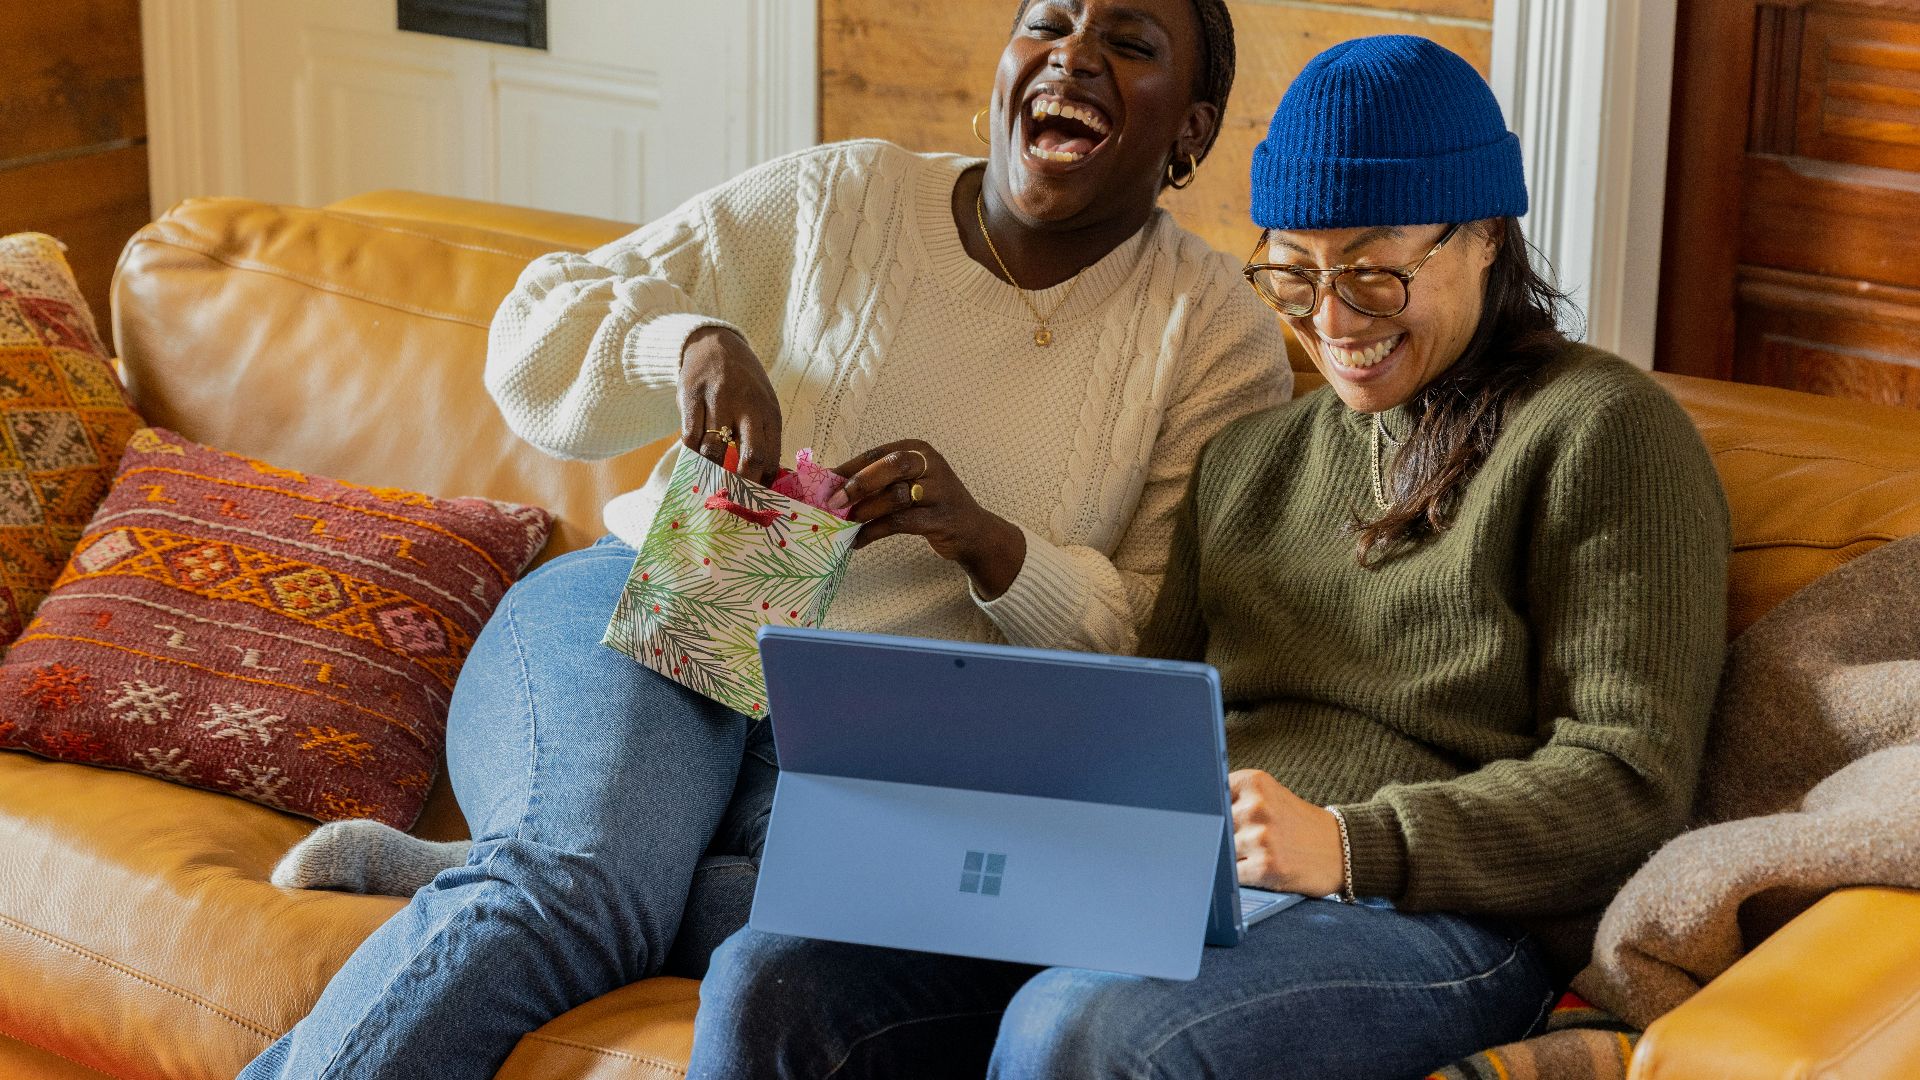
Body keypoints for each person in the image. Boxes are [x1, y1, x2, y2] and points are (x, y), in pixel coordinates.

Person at [239, 0, 1287, 1076]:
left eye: (1129, 41)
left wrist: (992, 547)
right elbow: (534, 328)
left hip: (880, 739)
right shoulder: (849, 198)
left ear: (1193, 131)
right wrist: (686, 345)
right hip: (667, 603)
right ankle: (554, 865)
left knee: (826, 920)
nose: (1073, 55)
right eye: (1050, 23)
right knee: (580, 891)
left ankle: (508, 864)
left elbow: (1157, 647)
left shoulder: (1216, 338)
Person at [689, 34, 1730, 1080]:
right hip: (1175, 882)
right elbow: (1148, 713)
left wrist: (1353, 844)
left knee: (1079, 1029)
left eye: (1372, 273)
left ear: (1486, 238)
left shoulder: (1603, 431)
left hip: (1434, 914)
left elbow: (1629, 780)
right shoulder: (1248, 459)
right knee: (770, 976)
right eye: (1294, 273)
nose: (1331, 322)